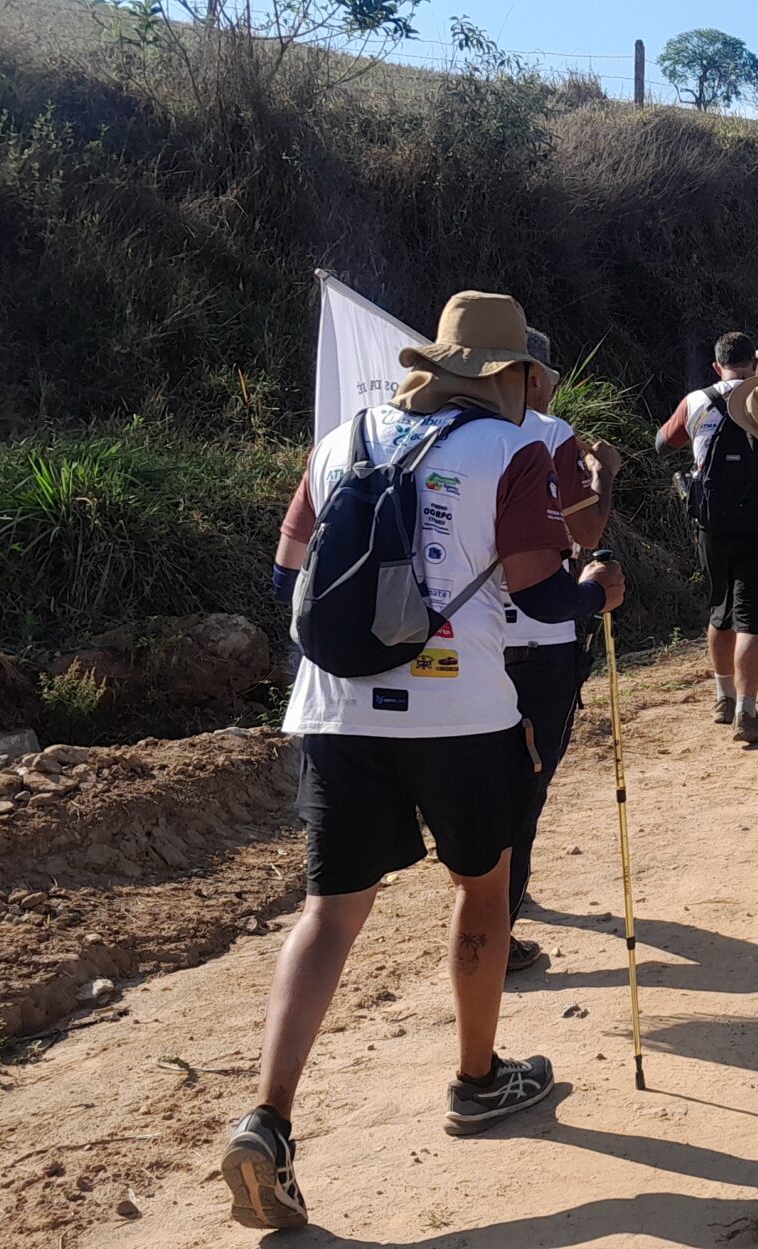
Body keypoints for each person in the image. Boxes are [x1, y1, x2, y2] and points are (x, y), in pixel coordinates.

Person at [226, 292, 626, 1230]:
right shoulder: (511, 450)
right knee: (482, 887)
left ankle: (267, 1118)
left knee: (329, 914)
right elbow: (536, 592)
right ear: (512, 376)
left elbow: (286, 573)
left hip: (335, 709)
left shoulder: (342, 440)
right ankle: (477, 1080)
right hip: (462, 713)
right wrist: (596, 593)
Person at [499, 326, 620, 974]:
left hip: (464, 640)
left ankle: (489, 902)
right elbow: (586, 528)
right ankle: (495, 932)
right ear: (535, 375)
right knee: (525, 790)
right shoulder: (548, 432)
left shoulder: (436, 432)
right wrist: (603, 474)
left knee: (477, 784)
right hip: (539, 636)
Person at [656, 333, 758, 745]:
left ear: (717, 366)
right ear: (754, 364)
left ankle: (722, 698)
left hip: (711, 525)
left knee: (720, 611)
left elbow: (662, 444)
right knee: (753, 623)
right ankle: (747, 712)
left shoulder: (696, 401)